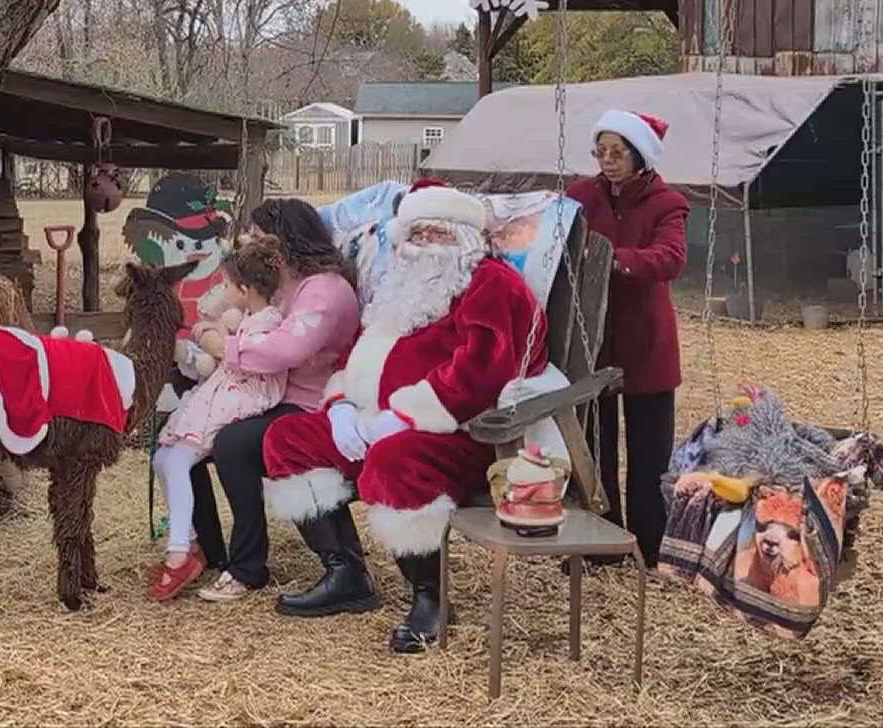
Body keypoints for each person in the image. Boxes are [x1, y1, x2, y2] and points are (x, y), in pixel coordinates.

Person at [260, 181, 545, 652]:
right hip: (371, 420)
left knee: (395, 461)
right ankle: (346, 573)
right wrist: (343, 407)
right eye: (417, 233)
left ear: (466, 237)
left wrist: (405, 417)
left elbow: (484, 371)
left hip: (460, 431)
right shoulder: (395, 286)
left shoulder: (493, 284)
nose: (426, 244)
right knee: (287, 438)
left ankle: (431, 597)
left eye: (440, 233)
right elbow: (354, 355)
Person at [184, 198, 360, 604]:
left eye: (261, 238)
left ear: (288, 241)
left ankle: (248, 566)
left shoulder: (326, 291)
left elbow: (287, 351)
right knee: (189, 433)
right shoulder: (285, 285)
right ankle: (212, 551)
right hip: (270, 390)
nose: (252, 246)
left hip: (310, 402)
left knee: (233, 444)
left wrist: (223, 345)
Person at [566, 109, 690, 567]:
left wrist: (610, 260)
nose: (608, 160)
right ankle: (601, 541)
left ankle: (650, 545)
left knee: (650, 453)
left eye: (618, 152)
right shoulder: (580, 196)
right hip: (593, 338)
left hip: (646, 343)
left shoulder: (667, 203)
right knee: (595, 446)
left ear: (640, 156)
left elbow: (670, 258)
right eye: (602, 151)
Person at [147, 236, 292, 601]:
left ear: (245, 289)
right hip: (223, 391)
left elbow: (240, 358)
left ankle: (178, 552)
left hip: (239, 399)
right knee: (162, 458)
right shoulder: (246, 317)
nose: (222, 290)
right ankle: (193, 543)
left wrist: (212, 335)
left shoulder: (269, 322)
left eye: (227, 285)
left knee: (179, 460)